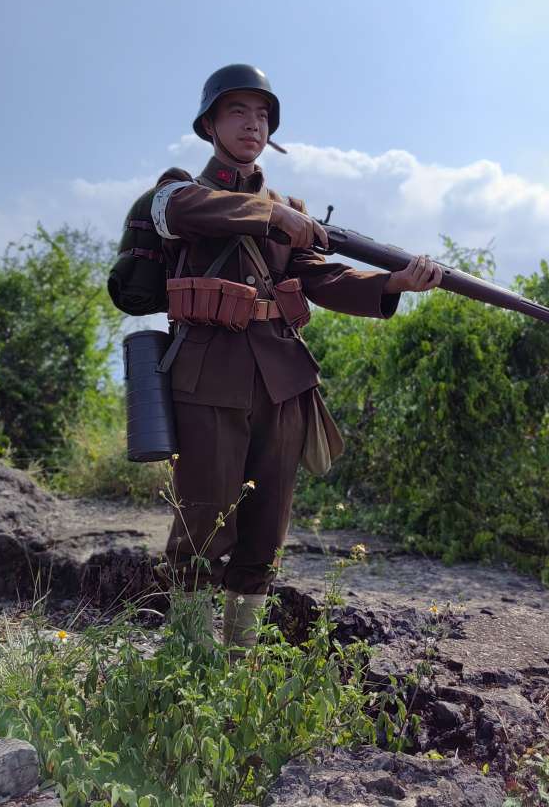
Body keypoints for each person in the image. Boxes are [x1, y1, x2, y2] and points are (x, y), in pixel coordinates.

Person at [151, 64, 442, 660]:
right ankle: (190, 661)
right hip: (207, 380)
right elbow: (183, 211)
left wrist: (393, 283)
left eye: (262, 115)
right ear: (209, 125)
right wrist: (271, 216)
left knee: (266, 529)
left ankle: (239, 659)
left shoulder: (292, 209)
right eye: (237, 112)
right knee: (203, 523)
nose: (252, 125)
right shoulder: (183, 190)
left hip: (281, 382)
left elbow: (321, 278)